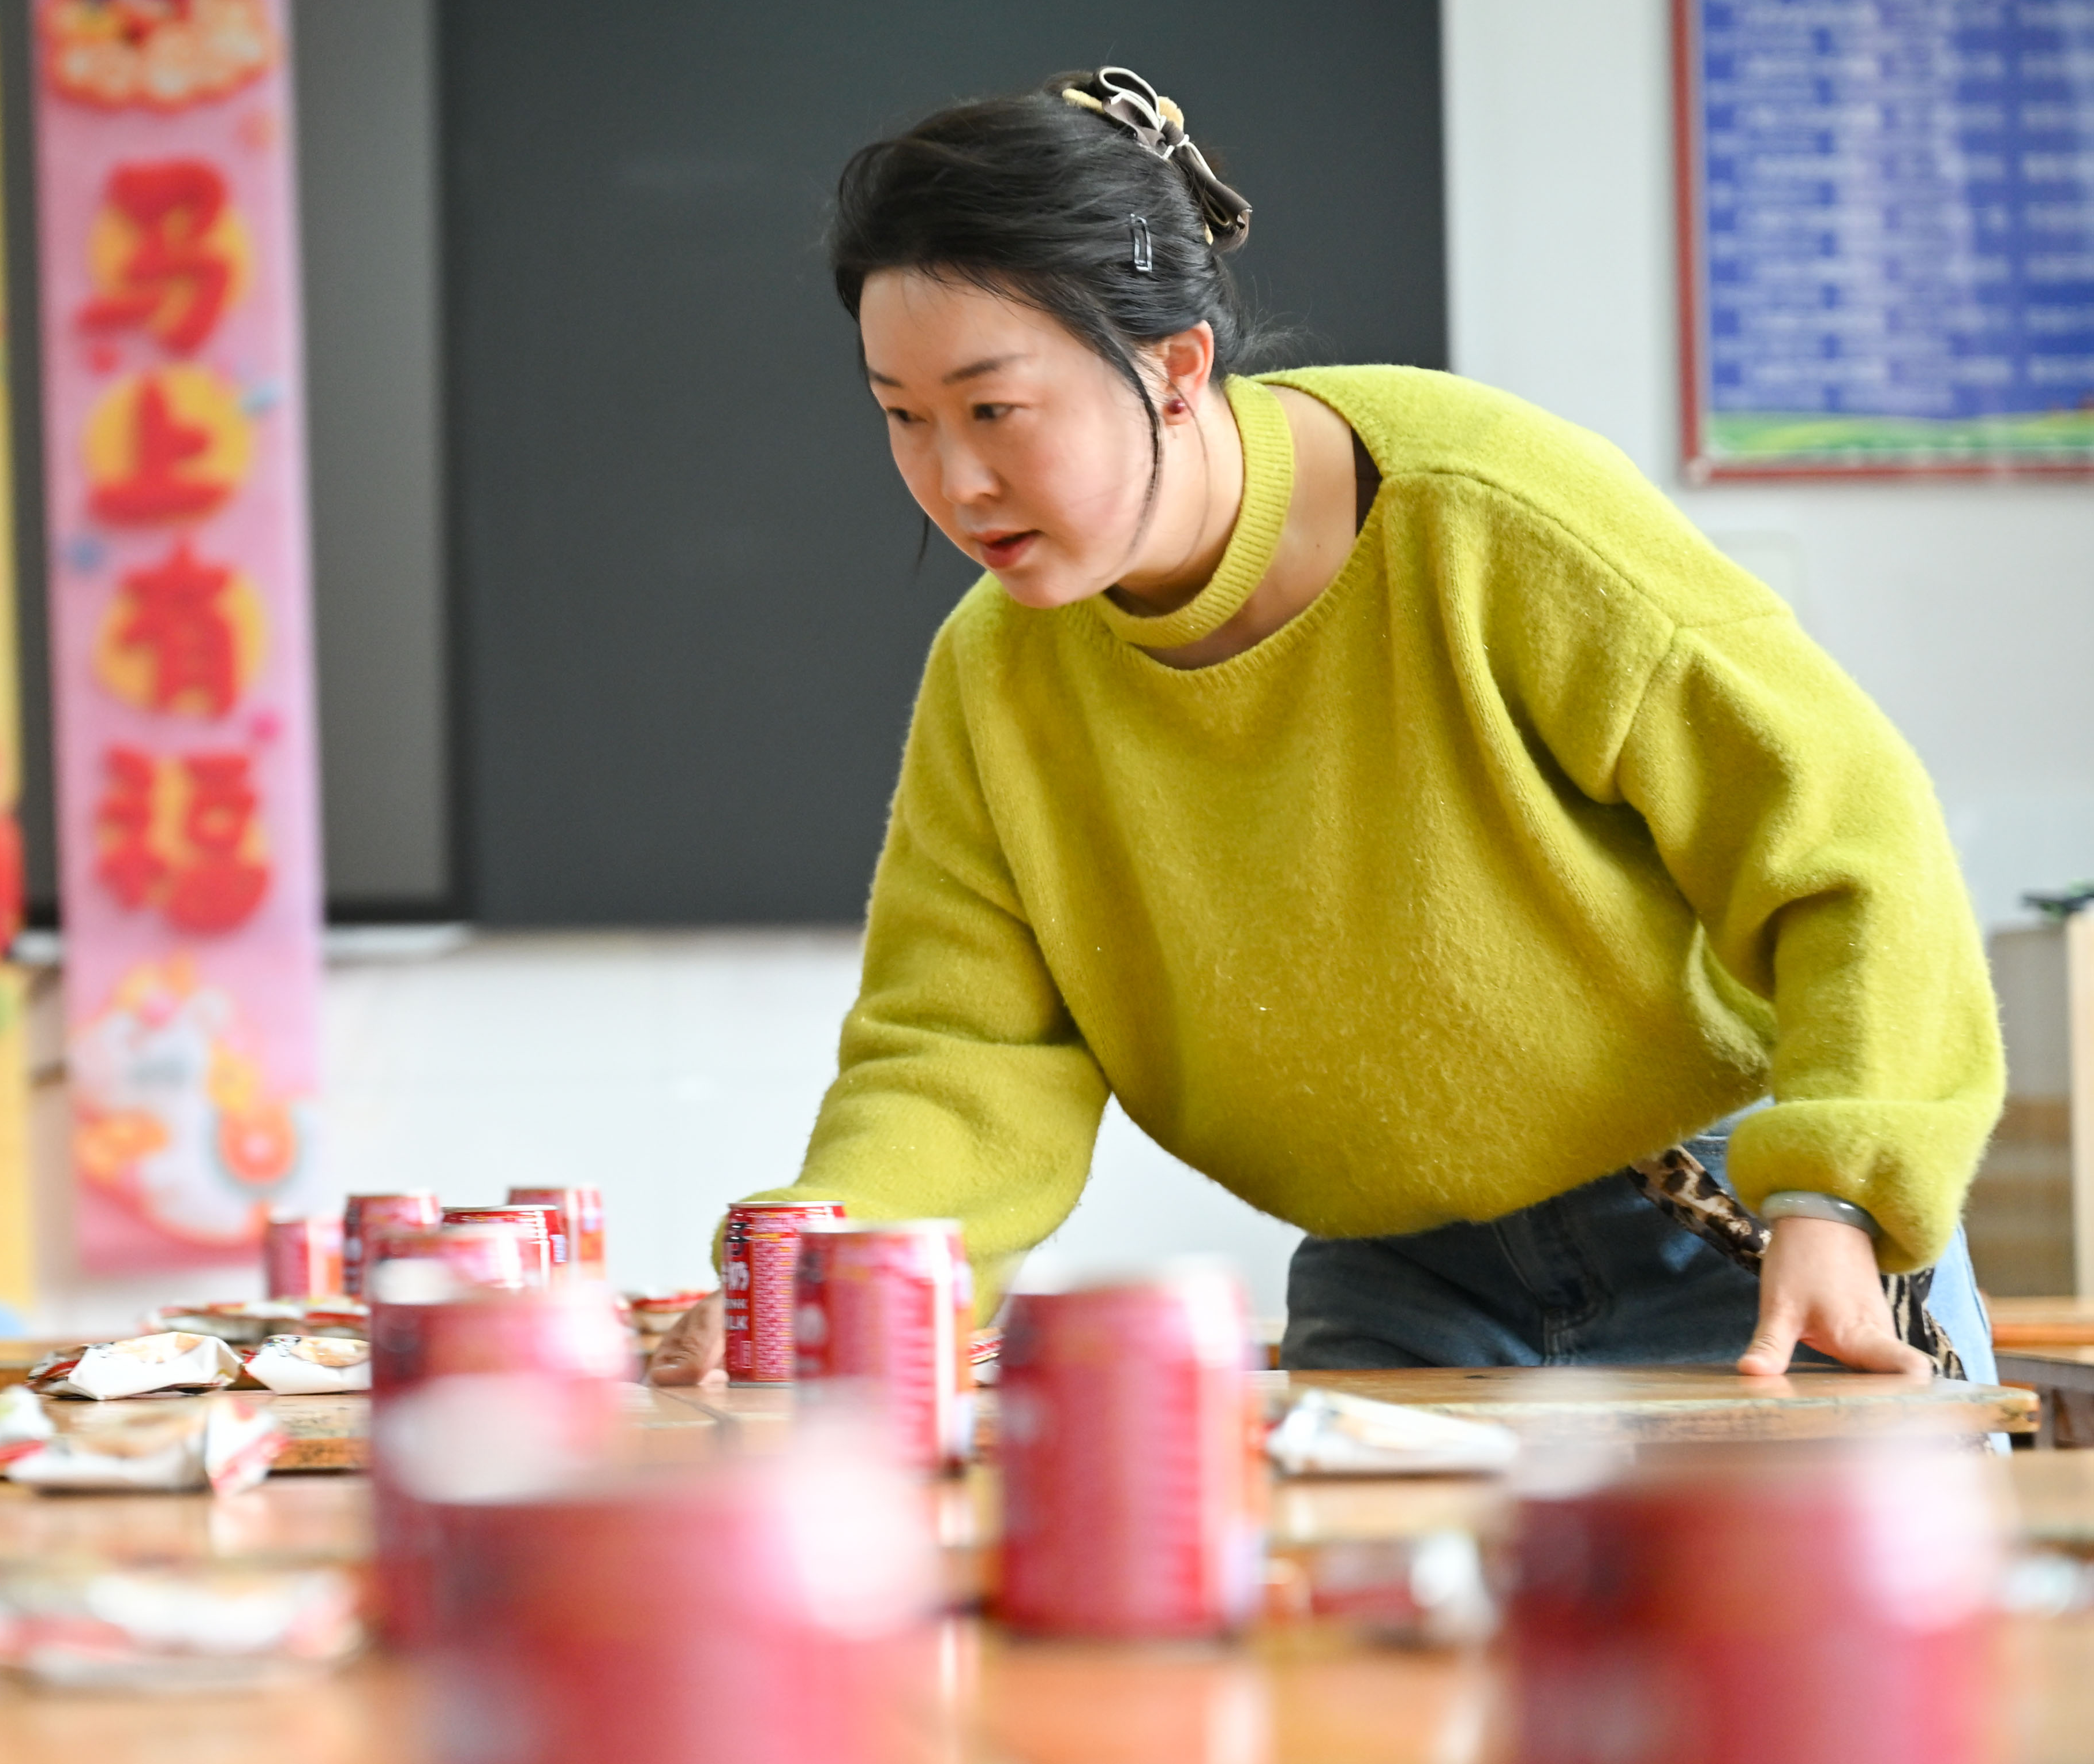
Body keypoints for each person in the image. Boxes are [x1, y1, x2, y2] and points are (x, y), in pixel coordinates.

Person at [651, 69, 2002, 1386]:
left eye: (993, 410)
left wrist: (1837, 1188)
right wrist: (816, 1278)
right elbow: (964, 1053)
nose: (953, 482)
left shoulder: (1483, 515)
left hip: (1732, 1234)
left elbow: (1843, 836)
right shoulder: (996, 672)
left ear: (1174, 366)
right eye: (902, 418)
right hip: (1398, 1287)